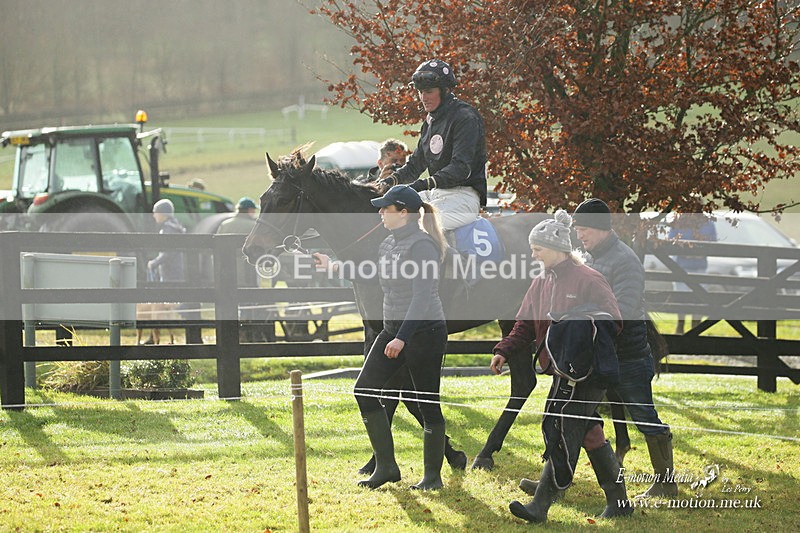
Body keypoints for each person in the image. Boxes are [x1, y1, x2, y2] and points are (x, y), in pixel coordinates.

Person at [490, 209, 633, 522]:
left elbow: (615, 321)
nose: (533, 254)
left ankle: (539, 507)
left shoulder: (589, 279)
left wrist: (580, 327)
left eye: (538, 249)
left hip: (590, 374)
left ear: (557, 249)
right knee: (589, 433)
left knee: (562, 432)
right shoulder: (541, 282)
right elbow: (524, 324)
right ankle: (620, 504)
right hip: (561, 372)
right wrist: (503, 350)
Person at [314, 185, 450, 490]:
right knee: (364, 391)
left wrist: (401, 338)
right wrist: (333, 266)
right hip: (394, 331)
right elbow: (372, 272)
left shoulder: (423, 247)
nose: (380, 213)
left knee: (428, 405)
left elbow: (423, 296)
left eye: (386, 208)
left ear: (403, 213)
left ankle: (432, 478)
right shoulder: (389, 243)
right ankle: (387, 467)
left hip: (424, 334)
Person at [539, 197, 674, 499]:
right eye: (577, 229)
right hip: (596, 354)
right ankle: (553, 484)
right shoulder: (587, 257)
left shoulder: (625, 261)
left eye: (584, 229)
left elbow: (622, 310)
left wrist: (579, 315)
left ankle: (666, 483)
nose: (579, 235)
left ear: (600, 229)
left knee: (643, 416)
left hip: (628, 355)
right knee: (576, 416)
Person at [381, 59, 487, 231]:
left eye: (429, 91)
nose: (423, 98)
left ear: (445, 91)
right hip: (434, 194)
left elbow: (461, 168)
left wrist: (423, 184)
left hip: (463, 197)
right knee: (391, 215)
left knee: (420, 228)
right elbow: (415, 165)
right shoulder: (430, 121)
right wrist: (388, 182)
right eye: (420, 92)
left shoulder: (465, 117)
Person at [217, 197, 270, 342]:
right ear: (249, 210)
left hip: (226, 272)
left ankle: (231, 336)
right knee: (249, 302)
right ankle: (249, 335)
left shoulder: (224, 224)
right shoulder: (253, 226)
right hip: (247, 271)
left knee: (229, 303)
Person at [138, 199, 186, 345]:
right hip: (173, 272)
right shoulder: (175, 226)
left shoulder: (168, 229)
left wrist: (154, 263)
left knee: (160, 307)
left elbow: (168, 253)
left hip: (169, 274)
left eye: (155, 212)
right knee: (162, 306)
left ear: (162, 213)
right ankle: (156, 336)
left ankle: (155, 337)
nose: (154, 216)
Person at [669, 215, 717, 334]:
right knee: (682, 298)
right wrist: (685, 253)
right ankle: (681, 325)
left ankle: (696, 328)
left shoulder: (708, 223)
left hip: (700, 266)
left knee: (698, 298)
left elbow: (712, 242)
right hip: (681, 266)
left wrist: (700, 253)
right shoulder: (678, 221)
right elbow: (671, 240)